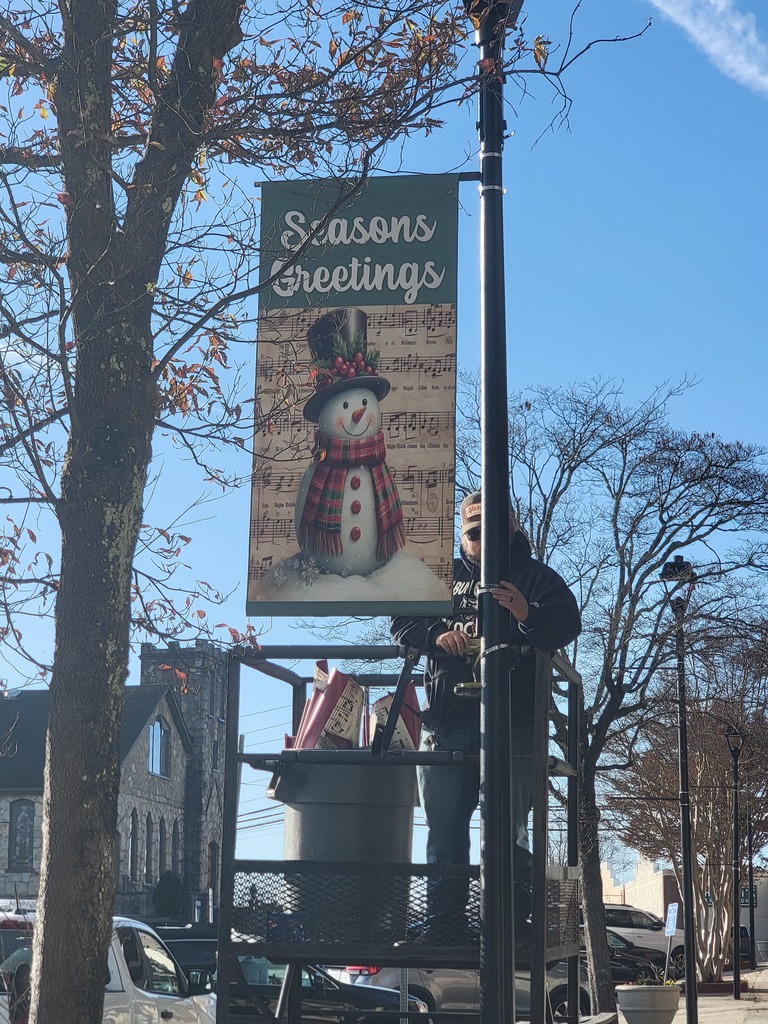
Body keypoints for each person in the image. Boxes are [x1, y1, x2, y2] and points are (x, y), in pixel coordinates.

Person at [391, 490, 581, 943]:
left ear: (512, 529)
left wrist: (526, 613)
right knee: (444, 833)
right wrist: (437, 634)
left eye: (493, 531)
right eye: (474, 533)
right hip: (447, 724)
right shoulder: (439, 577)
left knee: (508, 831)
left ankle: (507, 925)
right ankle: (444, 926)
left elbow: (567, 624)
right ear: (463, 537)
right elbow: (400, 622)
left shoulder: (535, 577)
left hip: (514, 725)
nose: (483, 541)